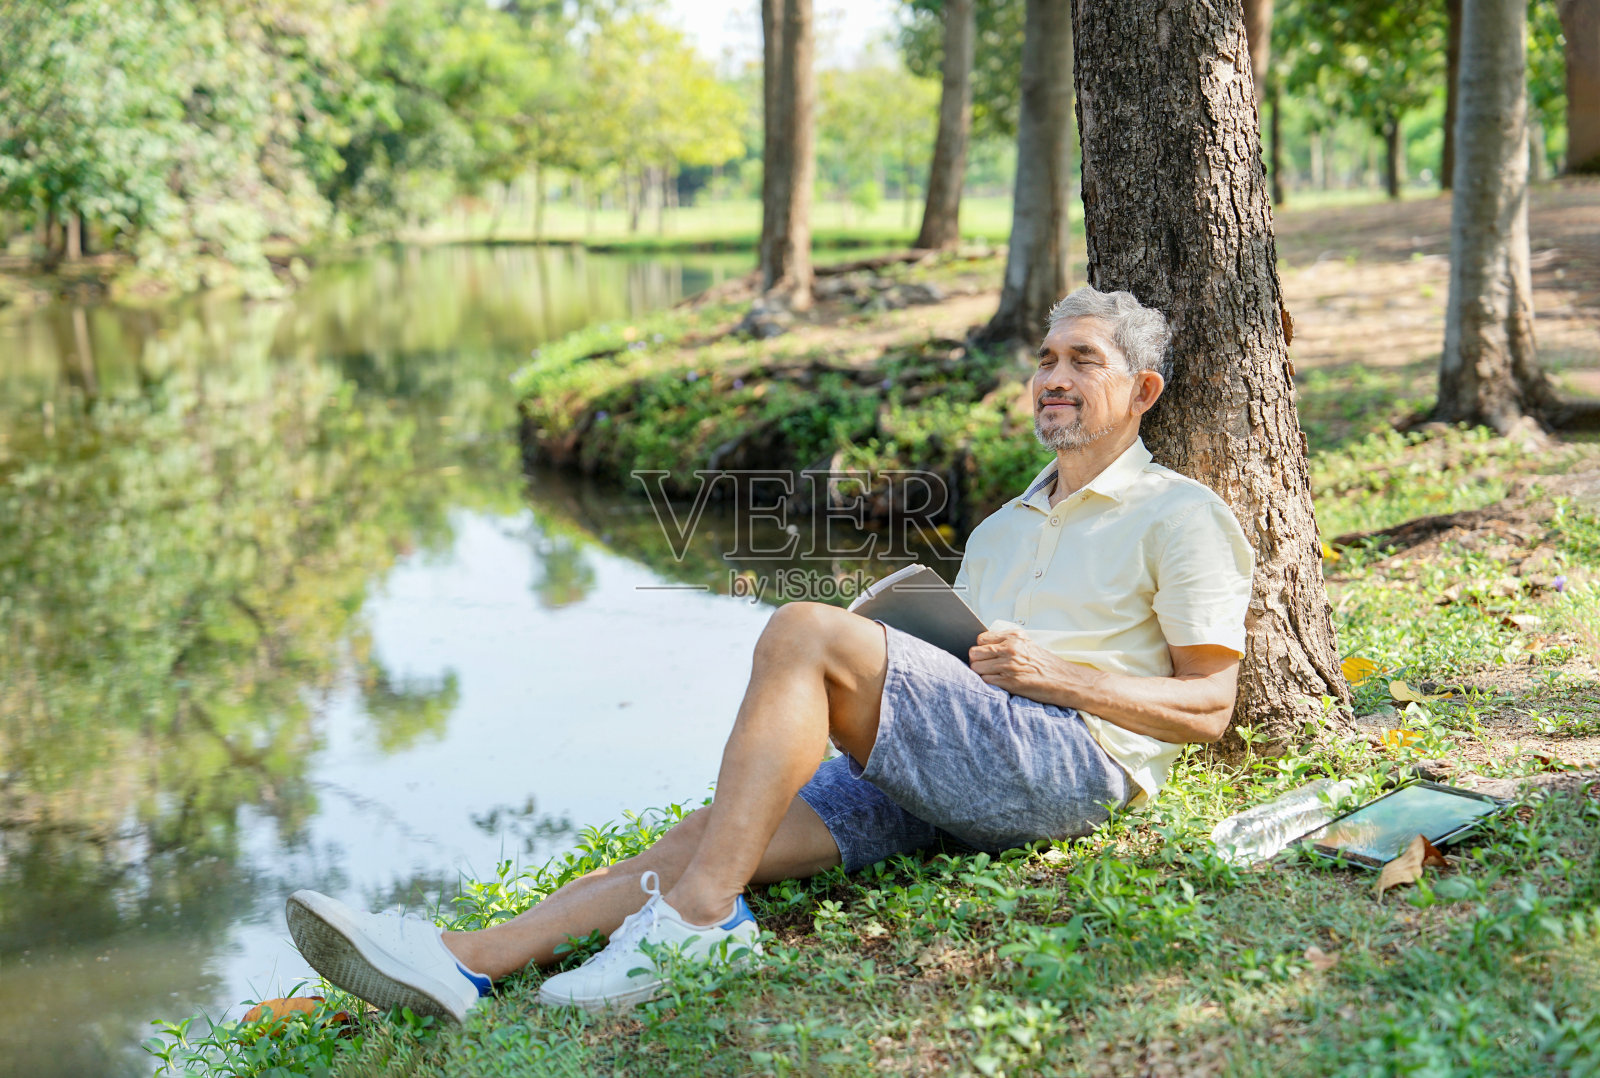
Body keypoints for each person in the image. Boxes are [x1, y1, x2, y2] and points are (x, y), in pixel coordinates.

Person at [284, 285, 1255, 1020]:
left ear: (1141, 390)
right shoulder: (1002, 525)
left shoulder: (1179, 514)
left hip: (1070, 767)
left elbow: (1208, 706)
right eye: (1045, 356)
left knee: (802, 627)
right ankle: (464, 960)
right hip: (965, 768)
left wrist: (1052, 674)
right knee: (714, 830)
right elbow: (957, 681)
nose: (1052, 375)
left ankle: (702, 923)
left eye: (1082, 359)